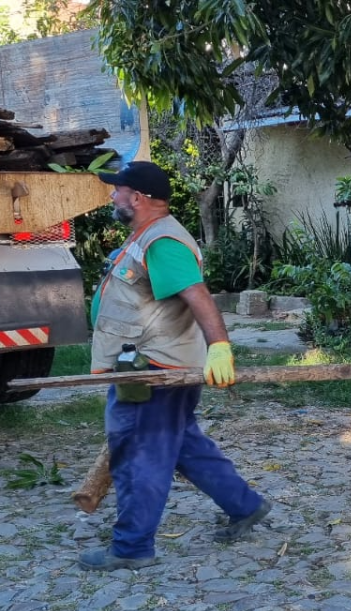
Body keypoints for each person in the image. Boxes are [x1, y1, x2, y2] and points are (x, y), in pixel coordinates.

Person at [78, 161, 272, 572]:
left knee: (137, 453)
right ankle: (246, 505)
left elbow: (197, 294)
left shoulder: (163, 242)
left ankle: (132, 547)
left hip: (154, 372)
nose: (113, 196)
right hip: (156, 366)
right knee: (183, 445)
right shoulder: (147, 237)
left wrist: (220, 346)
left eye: (118, 190)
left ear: (138, 198)